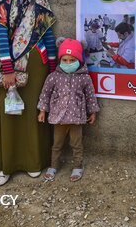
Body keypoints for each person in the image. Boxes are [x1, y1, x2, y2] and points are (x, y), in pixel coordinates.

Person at [0, 0, 57, 186]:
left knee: (33, 114)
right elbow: (1, 35)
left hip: (37, 65)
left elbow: (48, 35)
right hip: (11, 64)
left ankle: (33, 162)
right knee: (9, 112)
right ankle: (6, 166)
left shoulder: (40, 2)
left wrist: (53, 69)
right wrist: (8, 69)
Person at [38, 38, 100, 182]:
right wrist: (42, 110)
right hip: (58, 118)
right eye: (64, 60)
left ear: (79, 60)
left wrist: (93, 112)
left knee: (76, 144)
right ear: (60, 60)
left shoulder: (84, 78)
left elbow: (90, 95)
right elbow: (45, 94)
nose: (68, 63)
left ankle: (78, 166)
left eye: (72, 60)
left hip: (77, 118)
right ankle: (53, 166)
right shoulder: (53, 77)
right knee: (57, 144)